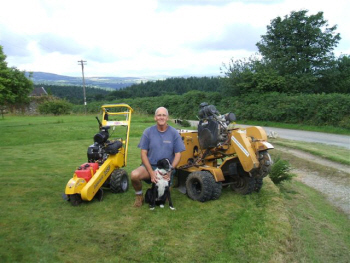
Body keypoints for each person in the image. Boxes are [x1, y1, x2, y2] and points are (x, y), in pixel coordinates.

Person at [130, 106, 185, 207]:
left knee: (165, 198)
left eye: (164, 115)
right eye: (159, 115)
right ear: (155, 117)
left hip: (166, 169)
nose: (161, 117)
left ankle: (165, 189)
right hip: (150, 166)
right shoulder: (148, 132)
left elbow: (178, 154)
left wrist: (170, 170)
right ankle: (139, 196)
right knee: (134, 175)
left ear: (167, 118)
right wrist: (151, 172)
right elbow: (143, 154)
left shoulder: (174, 133)